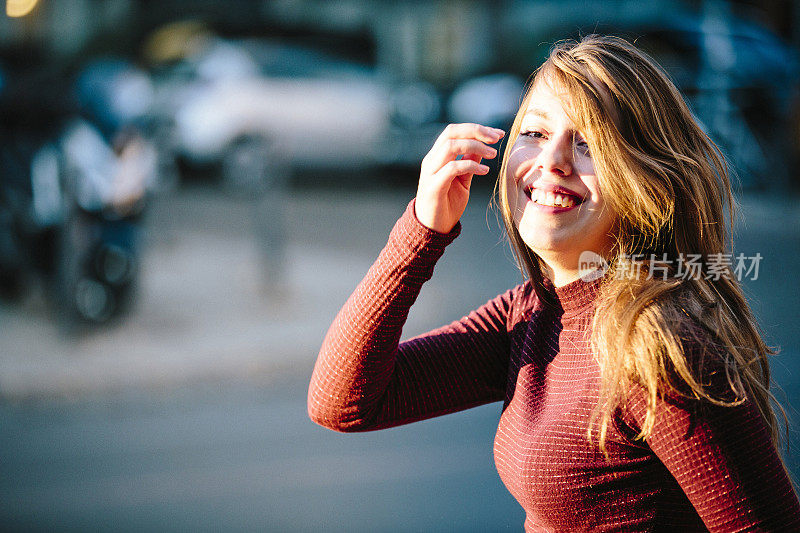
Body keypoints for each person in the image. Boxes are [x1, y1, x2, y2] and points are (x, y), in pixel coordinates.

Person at [307, 35, 800, 531]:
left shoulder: (659, 348)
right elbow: (343, 403)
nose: (552, 161)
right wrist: (421, 232)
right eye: (537, 133)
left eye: (588, 143)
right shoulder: (532, 312)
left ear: (645, 182)